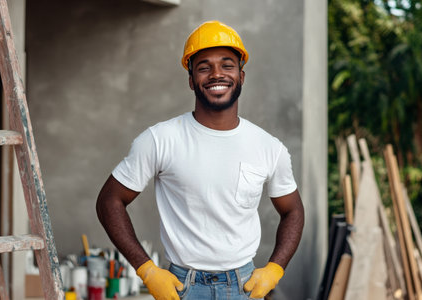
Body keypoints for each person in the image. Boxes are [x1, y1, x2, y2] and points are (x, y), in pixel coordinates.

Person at [96, 20, 304, 300]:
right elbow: (109, 200)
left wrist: (275, 269)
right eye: (204, 67)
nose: (217, 74)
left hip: (244, 288)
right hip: (181, 288)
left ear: (241, 76)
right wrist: (146, 269)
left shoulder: (268, 147)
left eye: (227, 65)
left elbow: (293, 211)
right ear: (191, 79)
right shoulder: (160, 139)